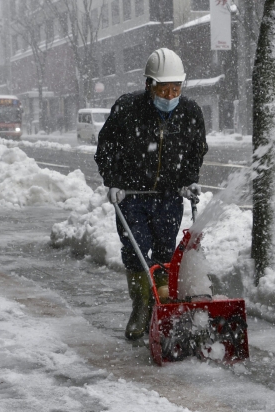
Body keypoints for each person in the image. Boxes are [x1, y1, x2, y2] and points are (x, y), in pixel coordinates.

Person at [94, 48, 208, 341]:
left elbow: (196, 150)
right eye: (163, 88)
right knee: (136, 250)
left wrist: (189, 180)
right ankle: (142, 307)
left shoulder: (190, 112)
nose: (170, 95)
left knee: (165, 252)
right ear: (149, 85)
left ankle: (163, 306)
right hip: (132, 196)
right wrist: (114, 181)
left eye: (176, 88)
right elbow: (106, 147)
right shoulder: (128, 108)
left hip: (168, 196)